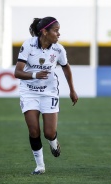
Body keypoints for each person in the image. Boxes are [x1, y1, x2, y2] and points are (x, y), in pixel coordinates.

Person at [14, 16, 78, 174]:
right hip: (29, 92)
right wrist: (35, 75)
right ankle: (40, 166)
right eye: (56, 31)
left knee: (49, 133)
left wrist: (72, 89)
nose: (58, 34)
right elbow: (17, 72)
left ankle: (54, 142)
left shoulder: (58, 49)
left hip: (49, 92)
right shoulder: (28, 45)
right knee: (34, 131)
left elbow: (66, 67)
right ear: (44, 32)